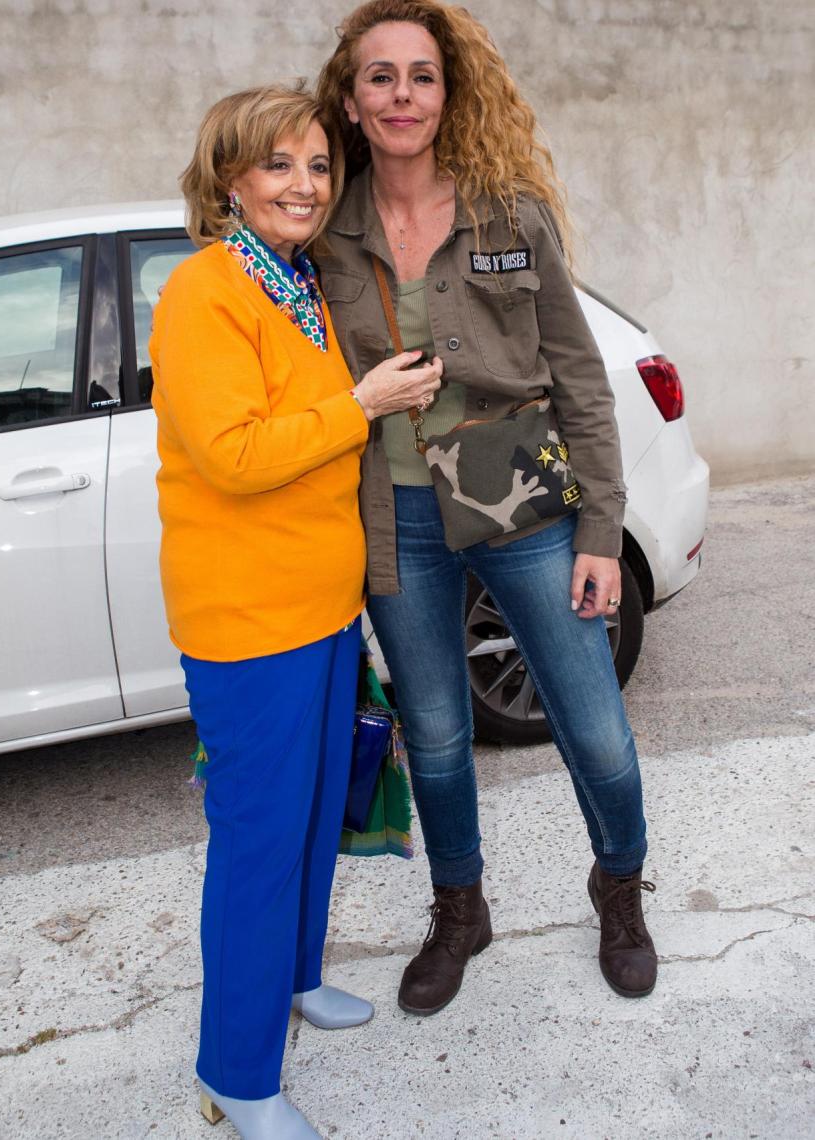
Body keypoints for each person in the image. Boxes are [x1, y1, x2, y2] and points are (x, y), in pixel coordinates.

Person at [316, 0, 658, 1017]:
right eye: (381, 77)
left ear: (447, 92)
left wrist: (601, 532)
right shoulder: (324, 231)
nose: (402, 95)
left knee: (593, 726)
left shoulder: (511, 213)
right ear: (351, 97)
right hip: (399, 519)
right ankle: (459, 908)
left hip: (526, 509)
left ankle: (621, 891)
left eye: (421, 76)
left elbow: (579, 380)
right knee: (435, 731)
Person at [149, 85, 441, 1139]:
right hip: (249, 618)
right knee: (260, 839)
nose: (305, 186)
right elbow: (232, 456)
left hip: (320, 606)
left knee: (322, 808)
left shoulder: (298, 285)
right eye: (279, 166)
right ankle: (237, 1071)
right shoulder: (204, 292)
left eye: (319, 167)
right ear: (231, 179)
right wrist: (360, 405)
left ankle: (297, 977)